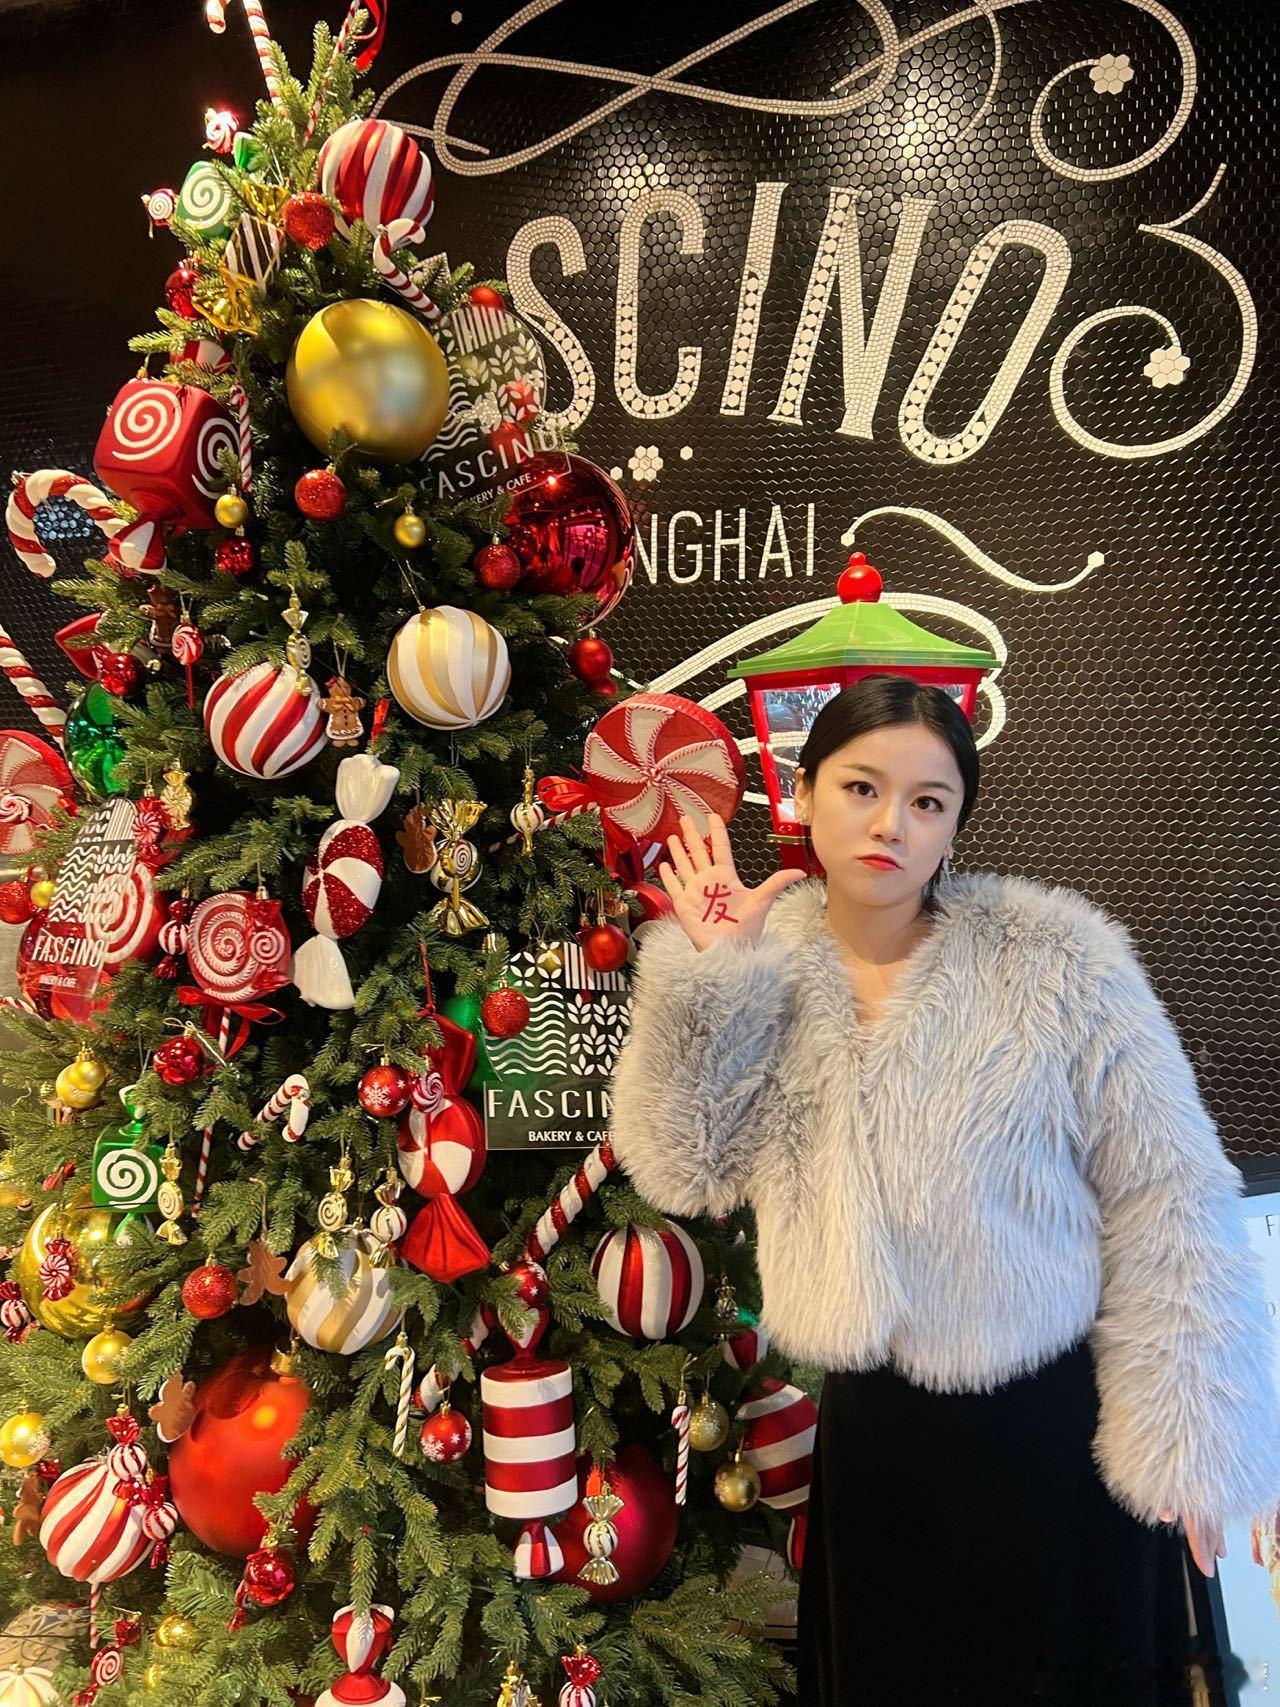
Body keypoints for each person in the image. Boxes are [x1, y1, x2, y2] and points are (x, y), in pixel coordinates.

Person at [607, 675, 1280, 1707]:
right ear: (803, 792)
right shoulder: (762, 960)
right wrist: (714, 976)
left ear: (954, 824)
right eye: (861, 787)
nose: (892, 823)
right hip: (882, 1443)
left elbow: (1168, 1191)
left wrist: (1191, 1436)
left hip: (1059, 1431)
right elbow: (687, 1166)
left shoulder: (1053, 961)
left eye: (927, 801)